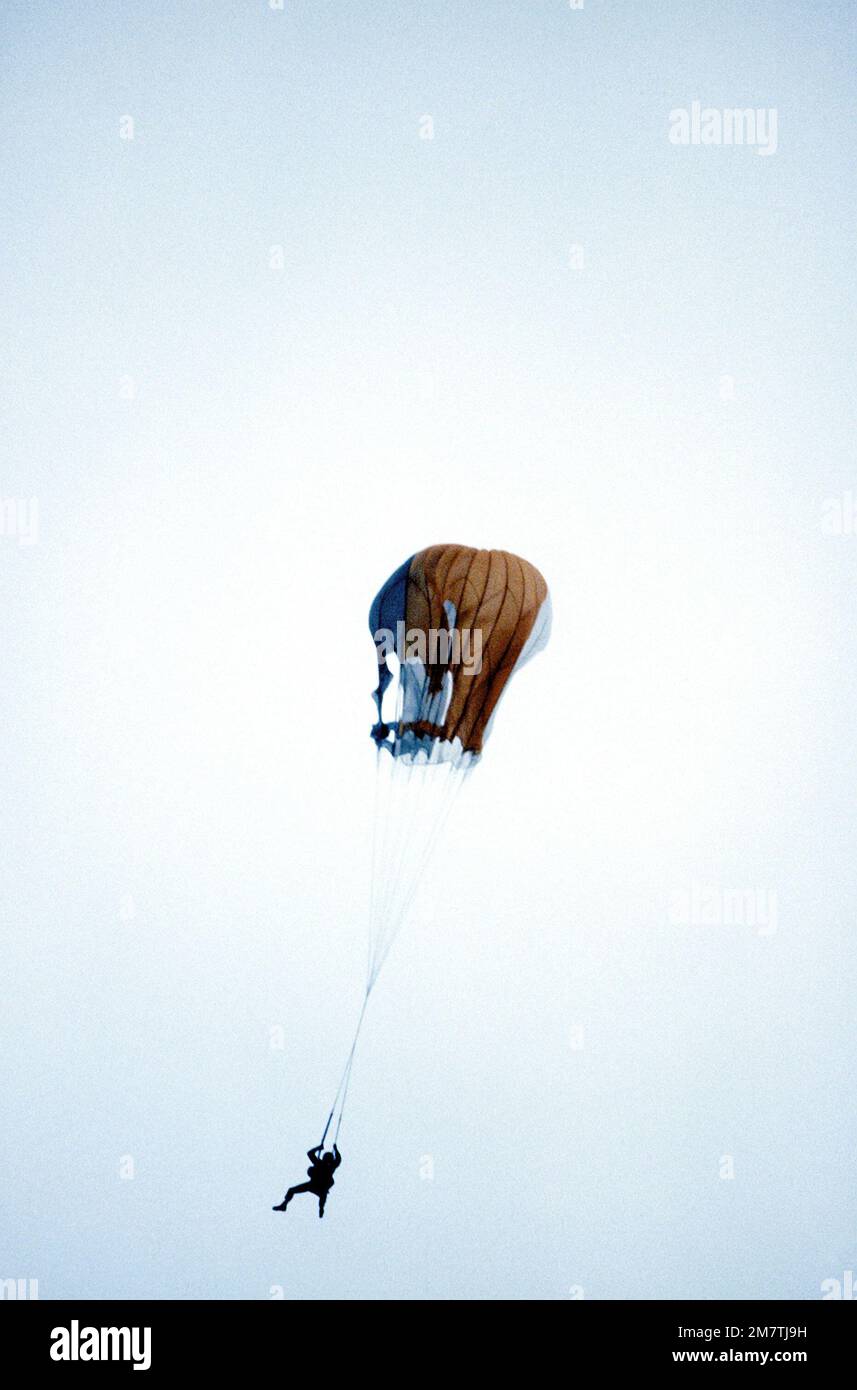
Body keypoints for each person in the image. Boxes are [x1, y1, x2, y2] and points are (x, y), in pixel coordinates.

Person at [273, 1144, 342, 1218]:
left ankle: (321, 1208)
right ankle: (284, 1205)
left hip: (318, 1187)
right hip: (313, 1185)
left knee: (323, 1194)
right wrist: (334, 1149)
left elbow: (311, 1153)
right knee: (292, 1190)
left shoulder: (326, 1164)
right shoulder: (325, 1164)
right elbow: (338, 1159)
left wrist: (321, 1148)